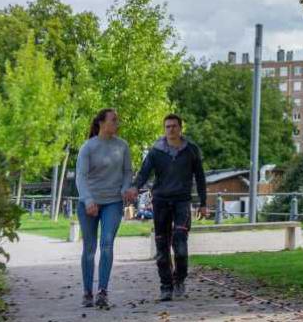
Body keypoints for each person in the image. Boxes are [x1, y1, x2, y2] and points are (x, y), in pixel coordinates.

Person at [124, 113, 208, 301]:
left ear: (180, 128)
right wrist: (135, 187)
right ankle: (166, 286)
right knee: (162, 246)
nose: (171, 129)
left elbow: (200, 178)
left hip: (182, 201)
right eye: (167, 127)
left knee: (180, 243)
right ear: (164, 129)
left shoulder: (191, 150)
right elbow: (144, 173)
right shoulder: (156, 151)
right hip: (161, 201)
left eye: (174, 126)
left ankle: (180, 279)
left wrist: (203, 203)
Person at [75, 108, 132, 308]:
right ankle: (87, 292)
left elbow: (127, 172)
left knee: (107, 243)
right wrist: (88, 200)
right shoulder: (88, 148)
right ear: (101, 123)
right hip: (88, 203)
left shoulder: (122, 146)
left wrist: (126, 188)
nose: (117, 124)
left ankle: (103, 291)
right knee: (89, 248)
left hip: (113, 202)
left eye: (117, 120)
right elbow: (80, 177)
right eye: (114, 120)